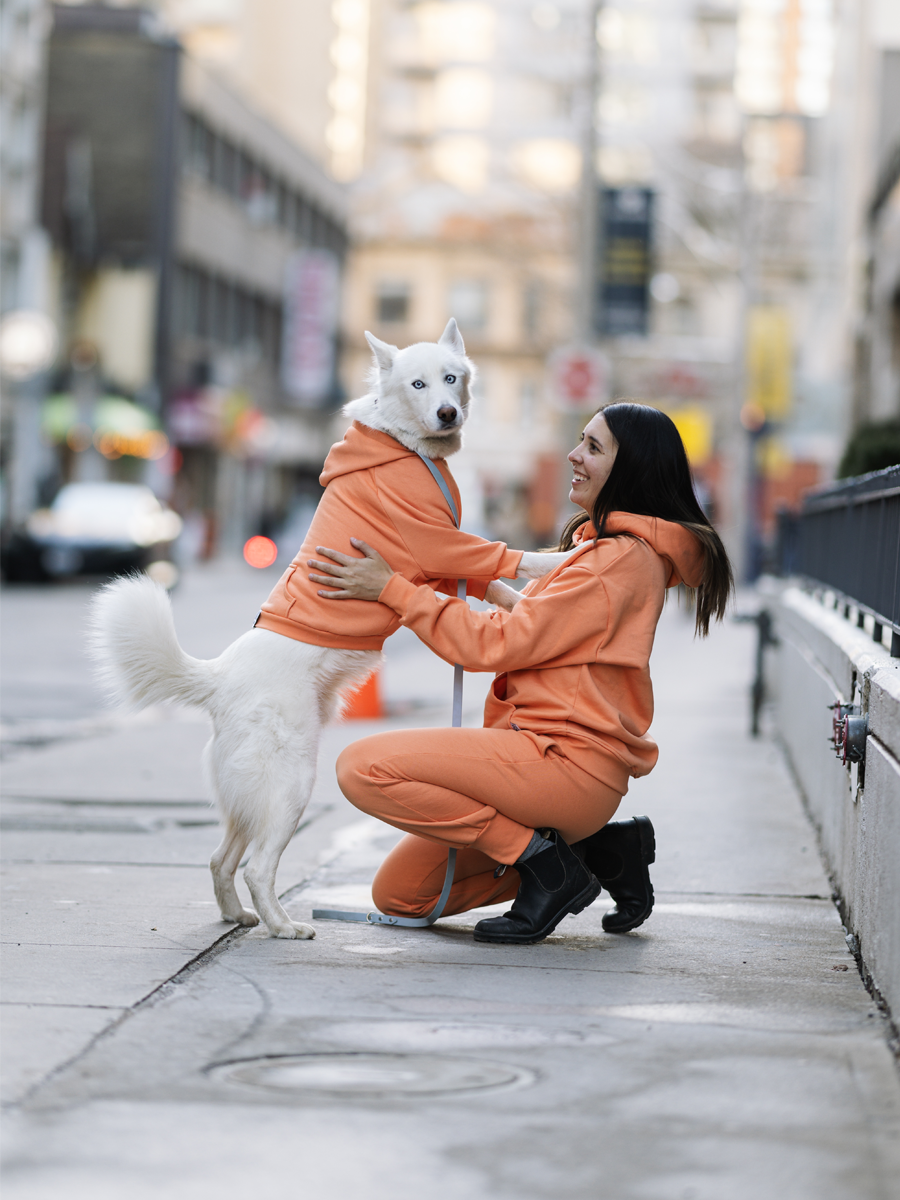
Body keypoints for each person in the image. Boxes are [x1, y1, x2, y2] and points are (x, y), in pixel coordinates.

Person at [307, 402, 733, 944]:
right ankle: (598, 851)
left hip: (561, 766)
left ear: (632, 470)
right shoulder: (609, 552)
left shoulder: (614, 561)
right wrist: (479, 583)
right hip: (550, 765)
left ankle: (543, 862)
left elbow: (500, 645)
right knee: (403, 894)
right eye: (581, 440)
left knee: (361, 767)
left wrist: (390, 589)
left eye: (594, 448)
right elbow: (547, 630)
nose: (575, 455)